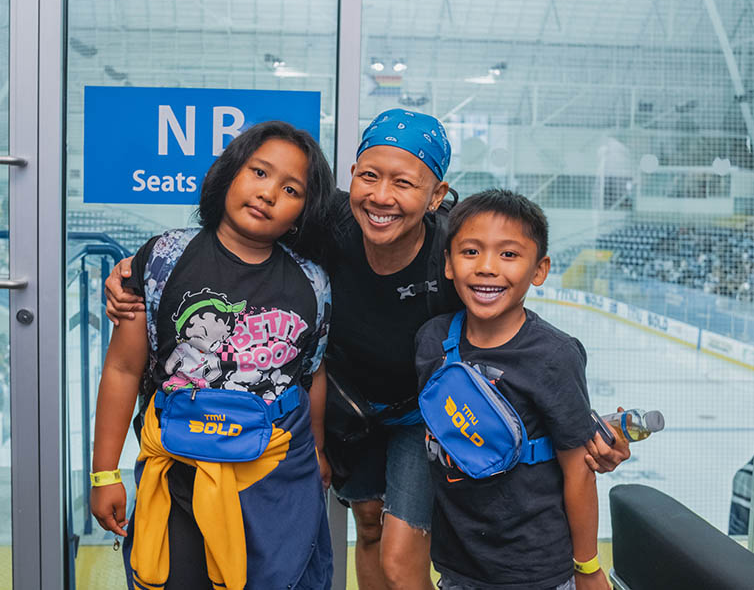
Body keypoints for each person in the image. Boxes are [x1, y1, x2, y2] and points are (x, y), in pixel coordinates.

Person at [105, 109, 630, 590]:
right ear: (352, 175)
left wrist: (581, 430)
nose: (382, 197)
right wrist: (133, 271)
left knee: (402, 557)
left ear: (435, 195)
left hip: (418, 418)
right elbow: (237, 251)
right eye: (369, 176)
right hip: (348, 411)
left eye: (405, 183)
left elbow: (515, 332)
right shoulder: (325, 222)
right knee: (370, 529)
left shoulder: (453, 253)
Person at [91, 121, 335, 590]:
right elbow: (123, 368)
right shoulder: (164, 256)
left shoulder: (314, 282)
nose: (268, 193)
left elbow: (312, 375)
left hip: (274, 478)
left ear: (303, 212)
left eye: (290, 188)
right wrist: (105, 473)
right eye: (259, 172)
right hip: (181, 467)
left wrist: (320, 450)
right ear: (228, 174)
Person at [414, 189, 608, 590]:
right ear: (448, 264)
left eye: (508, 254)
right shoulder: (431, 340)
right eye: (470, 252)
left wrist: (587, 567)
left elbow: (580, 472)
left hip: (535, 569)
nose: (487, 268)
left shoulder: (554, 356)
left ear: (539, 269)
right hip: (457, 566)